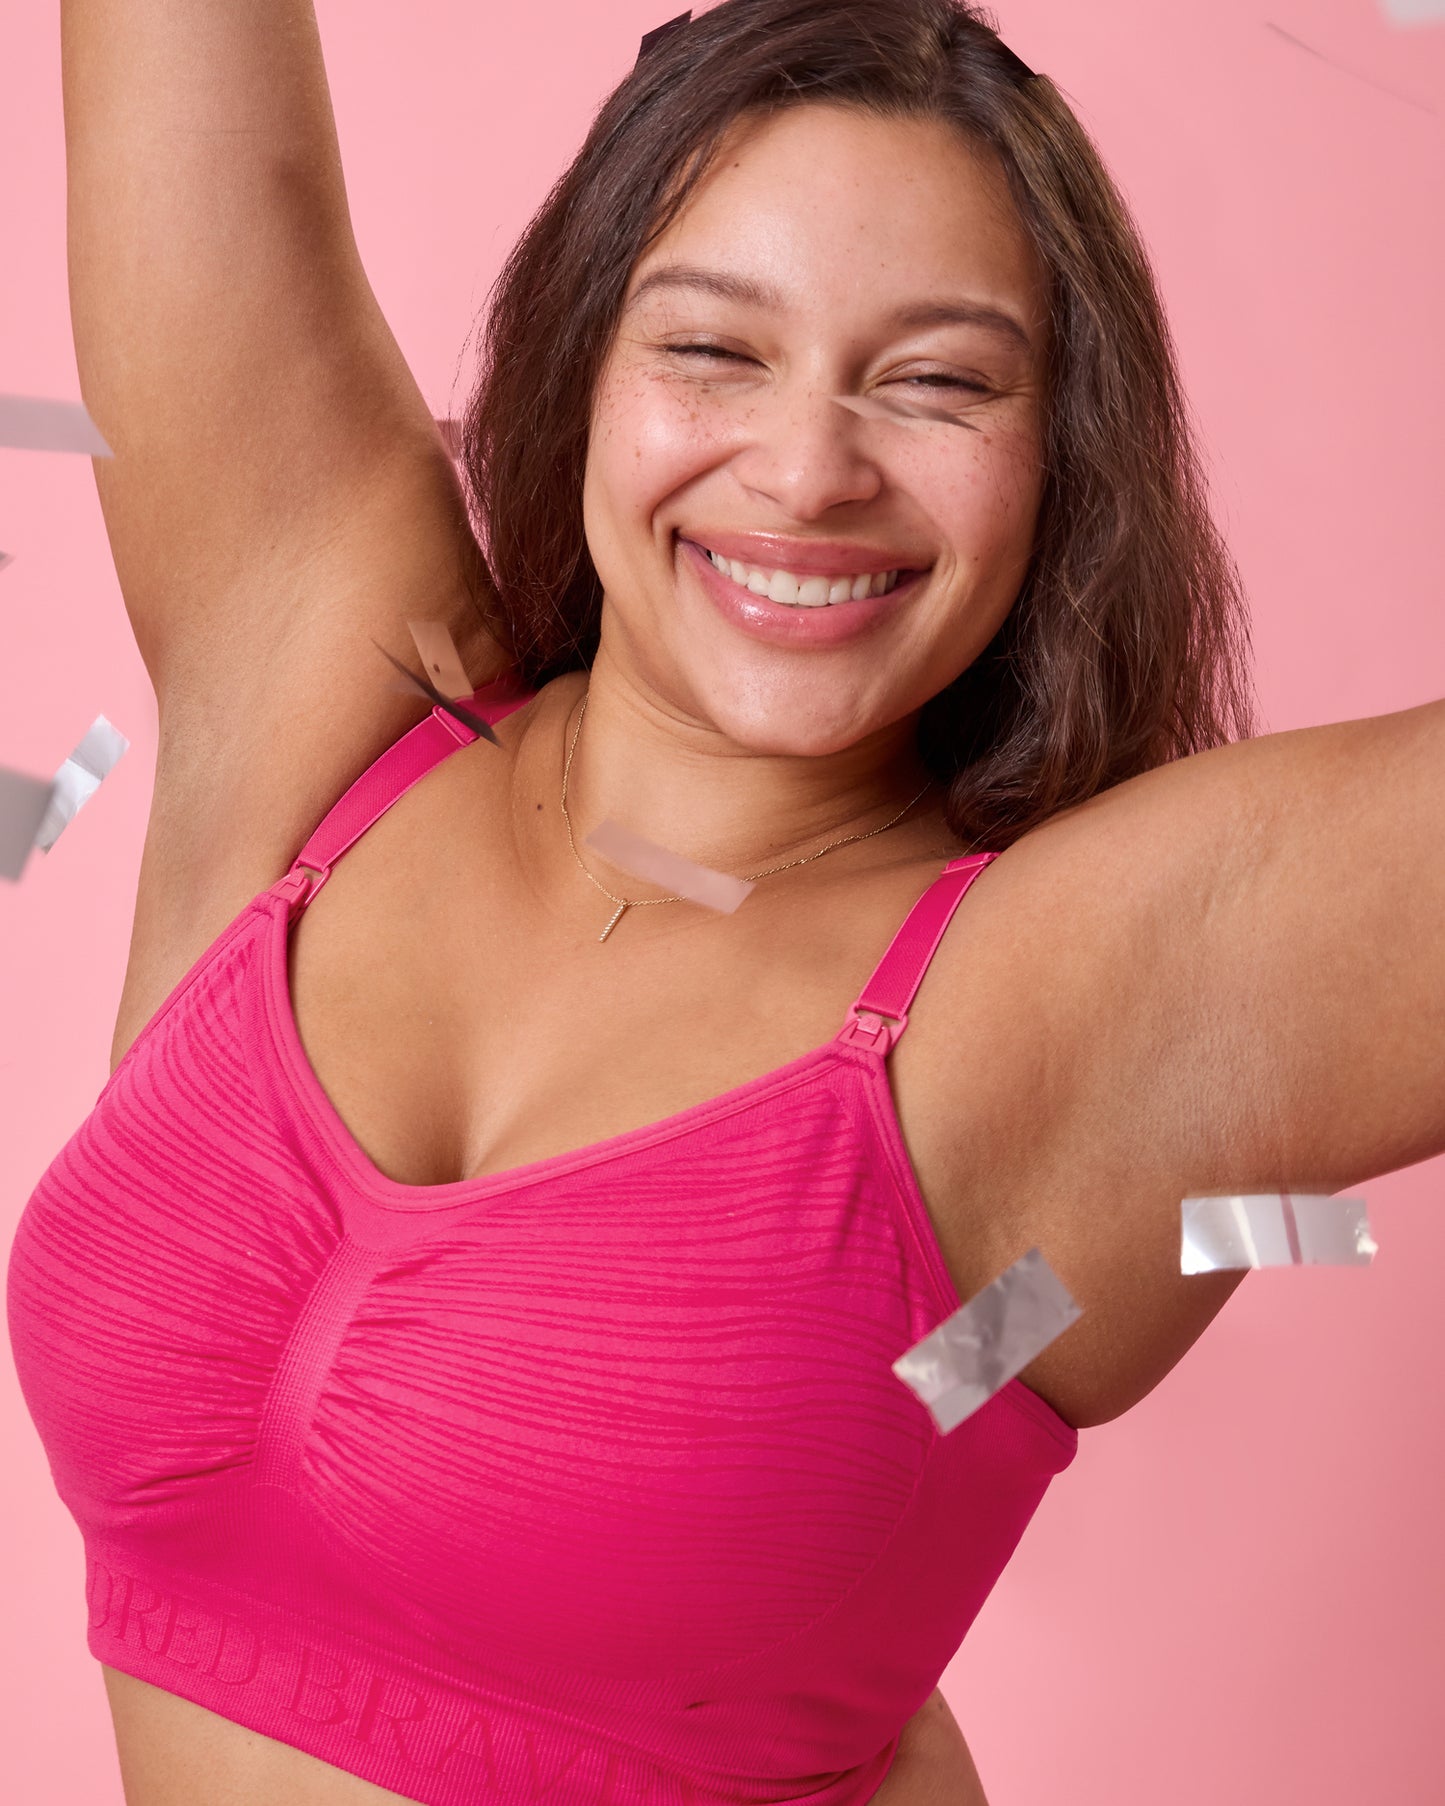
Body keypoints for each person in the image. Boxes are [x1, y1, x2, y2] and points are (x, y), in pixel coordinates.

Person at [6, 1, 1442, 1802]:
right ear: (581, 363)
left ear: (1060, 453)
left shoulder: (1068, 1005)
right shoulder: (332, 696)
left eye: (938, 380)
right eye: (710, 348)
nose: (807, 468)